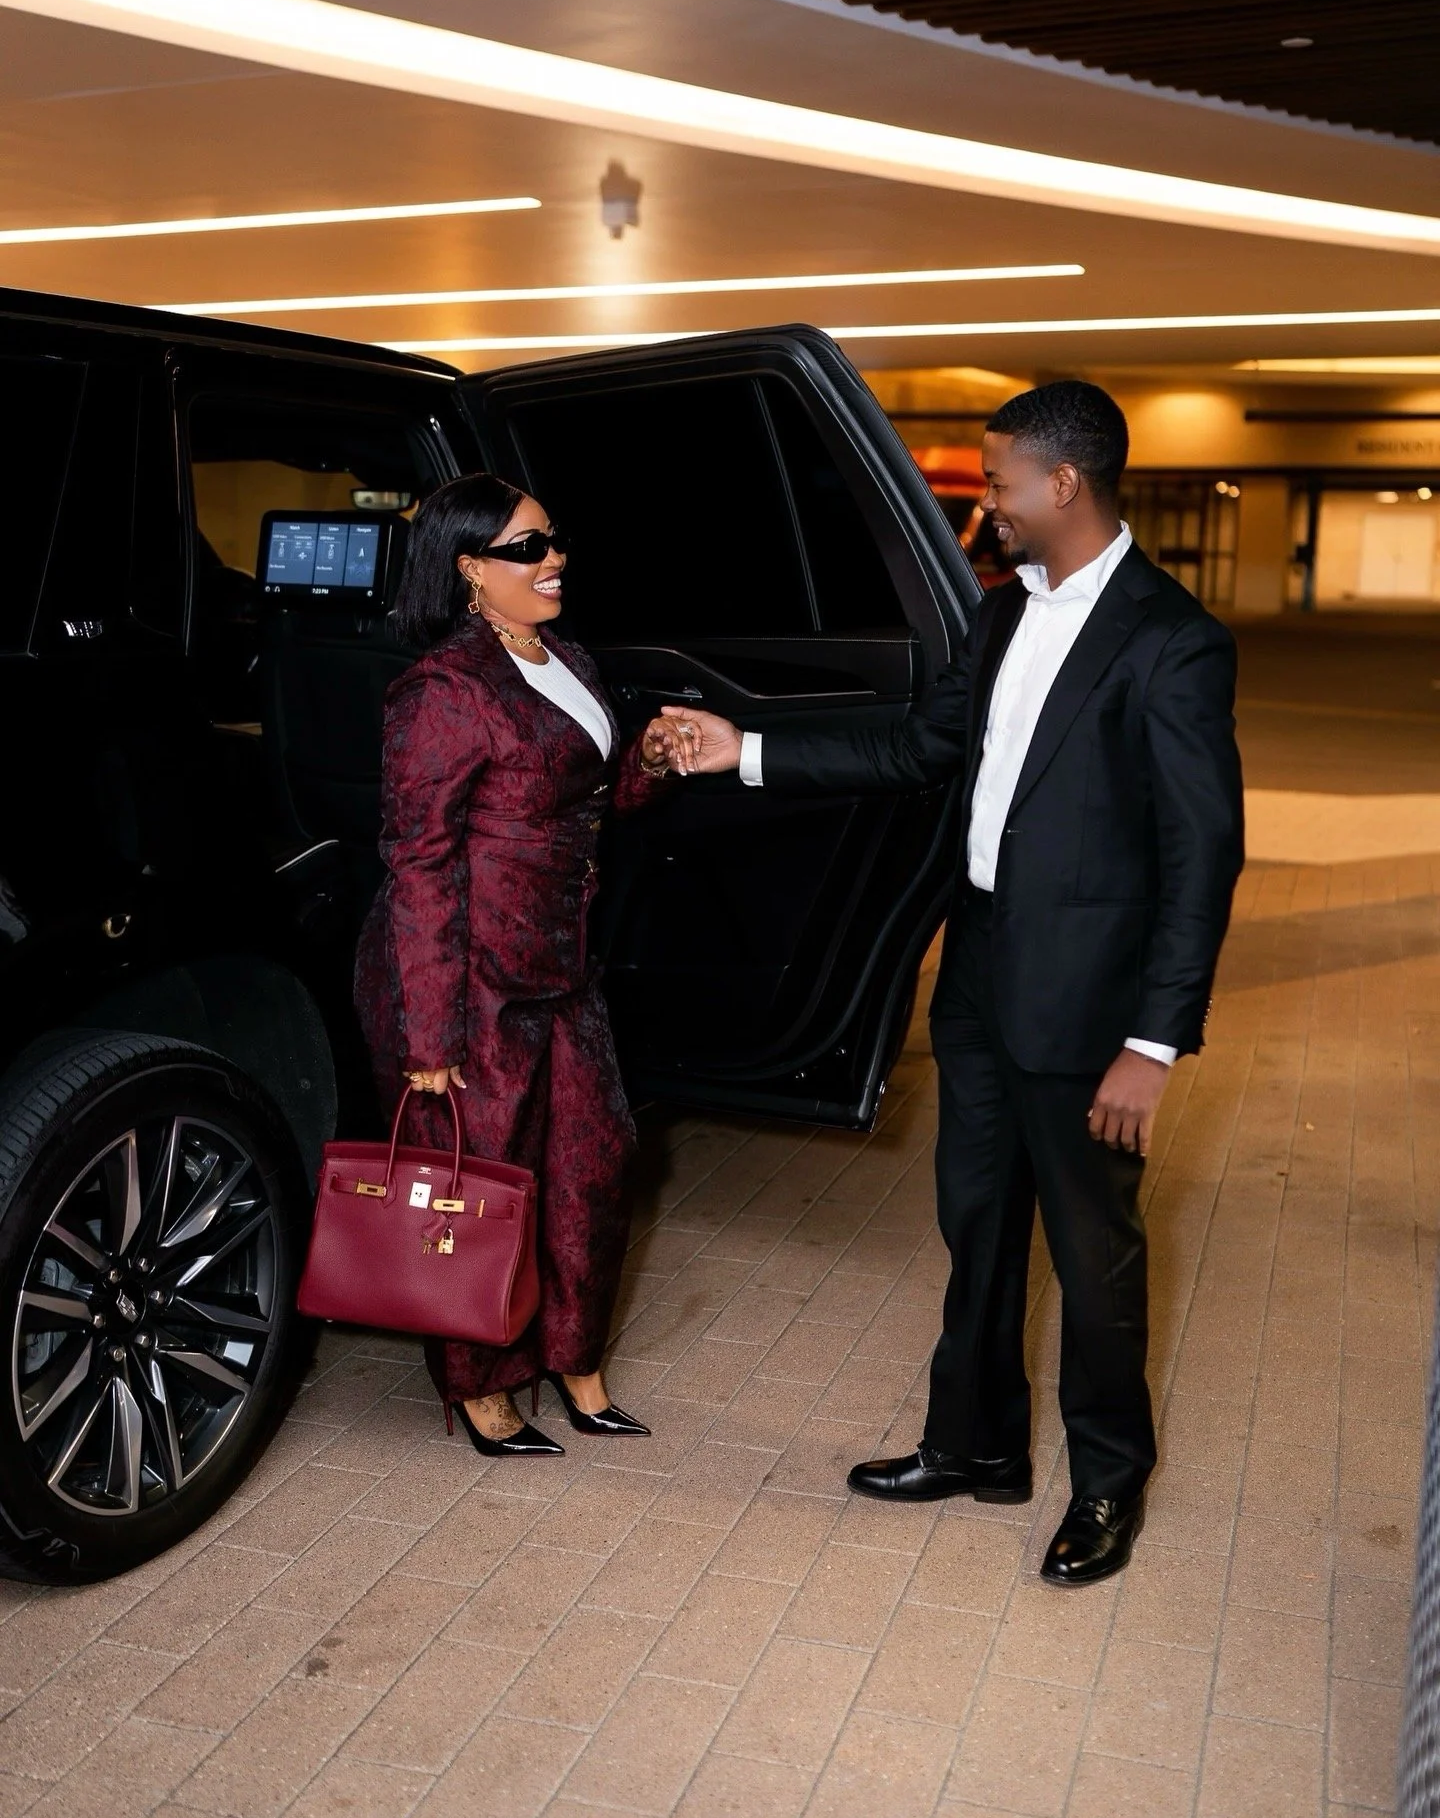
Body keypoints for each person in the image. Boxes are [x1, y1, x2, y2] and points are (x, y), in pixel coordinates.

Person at [666, 381, 1244, 1584]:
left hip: (1088, 1011)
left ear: (1062, 484)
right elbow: (917, 748)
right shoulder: (996, 617)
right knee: (976, 1230)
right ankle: (975, 1449)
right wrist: (745, 749)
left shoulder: (1173, 639)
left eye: (997, 481)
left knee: (1096, 1261)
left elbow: (1203, 856)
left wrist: (1154, 1041)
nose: (990, 500)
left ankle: (1105, 1488)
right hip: (979, 978)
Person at [354, 474, 697, 1457]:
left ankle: (574, 1362)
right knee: (480, 1185)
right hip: (466, 977)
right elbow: (418, 864)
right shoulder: (441, 692)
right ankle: (479, 1384)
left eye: (553, 542)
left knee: (592, 1167)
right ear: (467, 570)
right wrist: (429, 1034)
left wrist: (652, 761)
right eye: (525, 549)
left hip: (561, 963)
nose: (553, 561)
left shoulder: (569, 659)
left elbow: (580, 802)